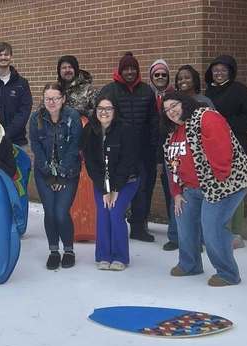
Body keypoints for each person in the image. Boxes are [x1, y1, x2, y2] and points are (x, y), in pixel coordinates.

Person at [162, 89, 247, 286]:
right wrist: (177, 192)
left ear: (184, 103)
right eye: (166, 109)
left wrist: (216, 187)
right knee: (184, 221)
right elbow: (172, 166)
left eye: (174, 105)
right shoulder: (173, 133)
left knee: (211, 226)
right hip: (191, 188)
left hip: (224, 184)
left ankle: (228, 273)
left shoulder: (206, 117)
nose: (171, 111)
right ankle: (190, 265)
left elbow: (222, 152)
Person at [96, 52, 159, 242]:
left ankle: (139, 226)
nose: (130, 72)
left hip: (142, 151)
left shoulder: (146, 91)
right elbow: (101, 119)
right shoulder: (109, 90)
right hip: (117, 151)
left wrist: (154, 147)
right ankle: (115, 224)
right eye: (126, 68)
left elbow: (153, 121)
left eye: (133, 68)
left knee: (142, 189)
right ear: (120, 70)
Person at [81, 95, 139, 270]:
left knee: (115, 211)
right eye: (100, 108)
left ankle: (120, 257)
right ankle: (103, 255)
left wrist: (115, 189)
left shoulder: (125, 130)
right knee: (103, 212)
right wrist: (104, 189)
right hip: (102, 181)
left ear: (115, 111)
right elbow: (90, 162)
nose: (104, 112)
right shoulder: (90, 130)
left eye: (108, 108)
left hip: (127, 180)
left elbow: (127, 162)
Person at [204, 55, 247, 247]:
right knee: (218, 186)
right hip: (212, 147)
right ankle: (220, 228)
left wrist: (225, 126)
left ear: (230, 72)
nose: (219, 73)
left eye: (223, 70)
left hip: (235, 144)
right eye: (215, 70)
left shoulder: (239, 90)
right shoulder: (208, 92)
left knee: (236, 186)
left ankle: (235, 232)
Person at [29, 83, 82, 269]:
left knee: (61, 213)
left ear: (63, 99)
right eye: (47, 99)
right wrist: (50, 175)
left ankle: (68, 250)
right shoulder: (36, 118)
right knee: (50, 213)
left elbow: (75, 147)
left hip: (69, 173)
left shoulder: (72, 117)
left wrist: (60, 175)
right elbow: (36, 147)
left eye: (55, 98)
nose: (51, 102)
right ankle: (53, 251)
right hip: (43, 173)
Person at [147, 58, 178, 252]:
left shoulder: (175, 96)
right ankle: (139, 226)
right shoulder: (146, 95)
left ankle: (176, 235)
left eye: (163, 74)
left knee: (173, 194)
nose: (160, 77)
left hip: (172, 153)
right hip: (149, 151)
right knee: (144, 190)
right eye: (156, 74)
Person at [0, 41, 32, 146]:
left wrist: (6, 133)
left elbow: (24, 111)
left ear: (11, 57)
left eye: (6, 54)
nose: (3, 57)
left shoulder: (22, 83)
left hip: (16, 141)